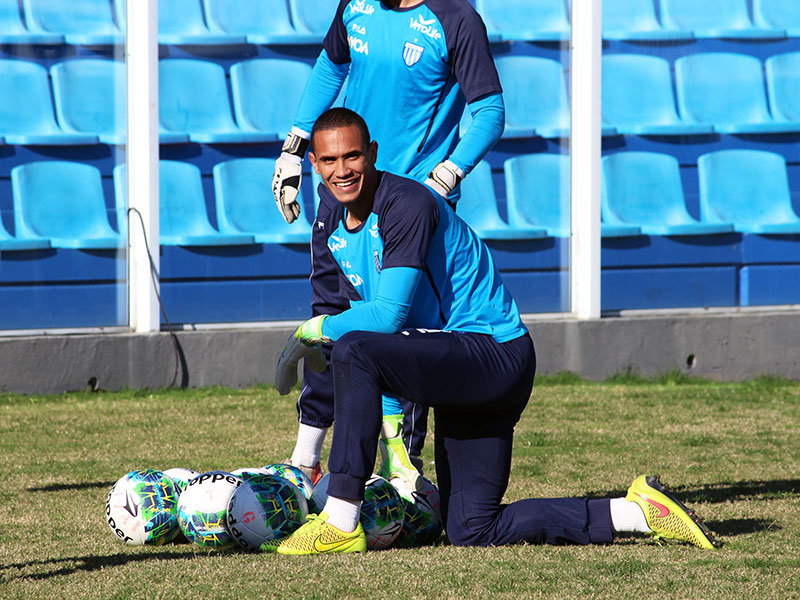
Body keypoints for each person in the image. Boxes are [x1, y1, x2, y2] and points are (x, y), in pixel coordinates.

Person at [267, 108, 719, 555]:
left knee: (351, 347)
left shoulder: (405, 203)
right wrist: (397, 448)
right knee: (472, 528)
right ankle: (636, 512)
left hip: (494, 354)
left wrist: (313, 329)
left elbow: (386, 319)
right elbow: (378, 344)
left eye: (352, 156)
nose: (342, 170)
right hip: (461, 366)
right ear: (314, 164)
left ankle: (341, 519)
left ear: (372, 153)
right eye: (330, 160)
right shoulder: (333, 224)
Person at [272, 0, 506, 489]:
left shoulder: (455, 19)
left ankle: (401, 472)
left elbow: (489, 110)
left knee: (396, 331)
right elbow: (330, 67)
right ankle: (305, 458)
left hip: (407, 204)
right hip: (343, 189)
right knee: (331, 317)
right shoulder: (354, 5)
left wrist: (446, 175)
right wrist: (294, 148)